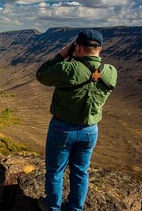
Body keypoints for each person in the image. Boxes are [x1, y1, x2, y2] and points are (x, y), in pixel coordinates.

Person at [35, 29, 117, 211]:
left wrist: (62, 54)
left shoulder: (67, 68)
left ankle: (53, 208)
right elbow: (95, 77)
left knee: (56, 172)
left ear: (78, 47)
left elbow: (42, 74)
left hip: (62, 129)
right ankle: (75, 208)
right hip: (90, 131)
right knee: (81, 173)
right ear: (100, 49)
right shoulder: (111, 72)